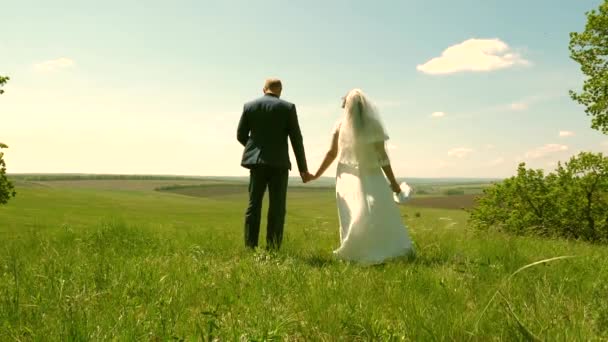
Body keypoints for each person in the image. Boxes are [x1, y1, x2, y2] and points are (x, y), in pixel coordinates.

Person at [312, 89, 415, 264]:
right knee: (377, 210)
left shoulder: (339, 125)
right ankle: (380, 247)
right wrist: (394, 184)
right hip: (372, 173)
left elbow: (331, 153)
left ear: (347, 106)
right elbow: (382, 158)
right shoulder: (374, 124)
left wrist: (316, 174)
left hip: (347, 175)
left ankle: (353, 249)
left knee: (351, 212)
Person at [237, 78, 313, 249]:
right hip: (279, 164)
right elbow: (296, 140)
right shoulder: (288, 108)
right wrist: (303, 169)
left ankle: (250, 247)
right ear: (280, 90)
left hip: (257, 163)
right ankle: (272, 248)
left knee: (253, 205)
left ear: (264, 89)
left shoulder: (249, 106)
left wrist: (254, 148)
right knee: (277, 208)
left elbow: (241, 134)